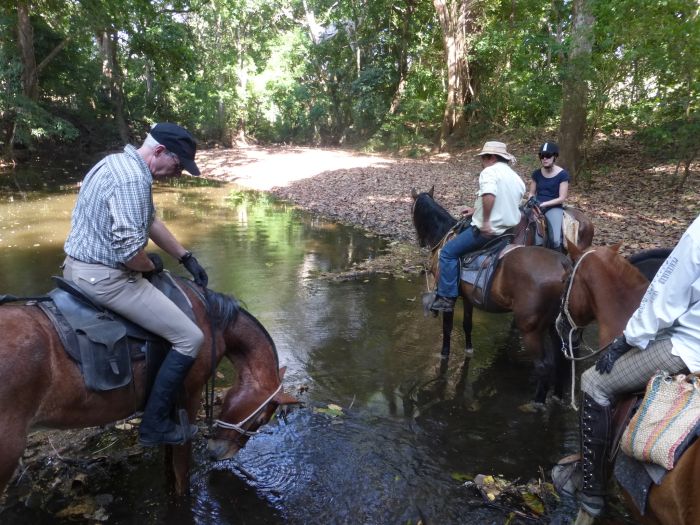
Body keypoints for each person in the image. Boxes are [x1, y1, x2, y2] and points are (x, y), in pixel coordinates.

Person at [63, 122, 209, 446]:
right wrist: (150, 264)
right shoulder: (131, 178)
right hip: (105, 279)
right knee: (190, 338)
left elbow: (150, 220)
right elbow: (131, 253)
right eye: (177, 165)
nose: (178, 173)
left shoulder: (118, 163)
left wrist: (185, 257)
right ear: (159, 151)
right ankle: (154, 425)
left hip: (76, 268)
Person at [553, 213, 700, 517]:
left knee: (594, 382)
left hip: (689, 347)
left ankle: (592, 492)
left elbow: (667, 293)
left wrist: (627, 339)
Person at [430, 141, 526, 313]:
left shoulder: (489, 172)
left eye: (483, 157)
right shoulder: (517, 179)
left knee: (447, 253)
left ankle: (447, 298)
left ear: (491, 157)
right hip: (507, 234)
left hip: (487, 233)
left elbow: (489, 195)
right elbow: (508, 204)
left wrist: (487, 220)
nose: (482, 161)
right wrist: (476, 210)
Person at [528, 142, 569, 251]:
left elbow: (562, 197)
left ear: (554, 157)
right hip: (537, 207)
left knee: (555, 239)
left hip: (553, 207)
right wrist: (531, 200)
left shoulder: (563, 174)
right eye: (542, 156)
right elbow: (532, 192)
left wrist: (544, 204)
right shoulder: (536, 174)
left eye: (548, 156)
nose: (544, 159)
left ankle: (560, 259)